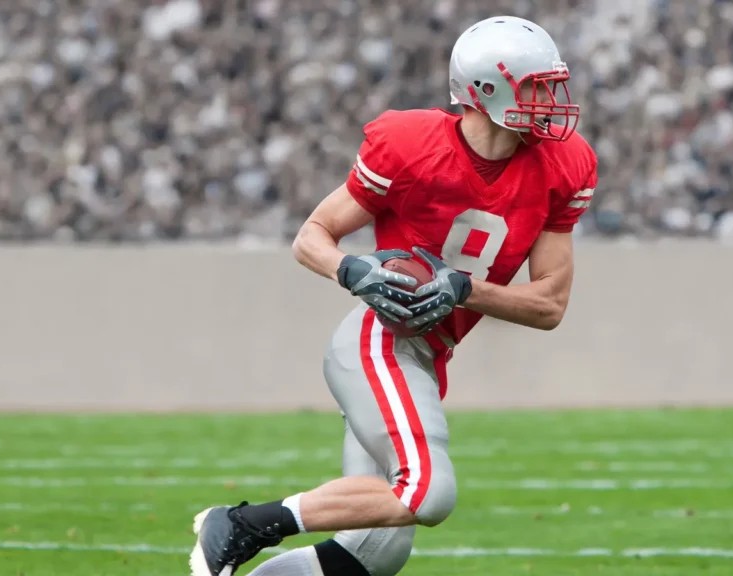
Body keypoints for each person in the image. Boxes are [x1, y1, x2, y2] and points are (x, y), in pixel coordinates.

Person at [188, 14, 598, 576]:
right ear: (485, 90)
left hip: (427, 355)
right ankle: (240, 524)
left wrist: (462, 289)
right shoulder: (413, 144)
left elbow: (549, 304)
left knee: (376, 550)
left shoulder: (563, 164)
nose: (551, 101)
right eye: (536, 87)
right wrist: (353, 271)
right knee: (429, 492)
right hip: (379, 339)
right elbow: (312, 236)